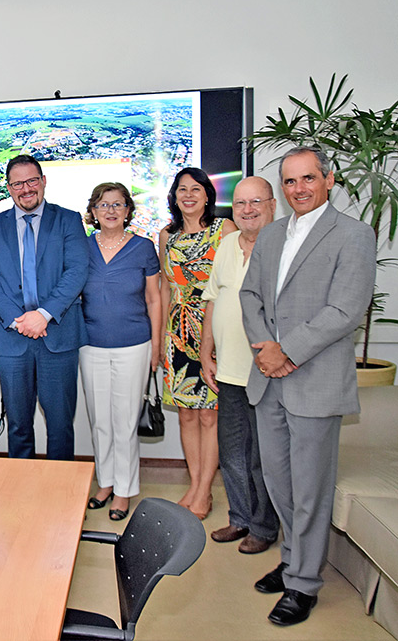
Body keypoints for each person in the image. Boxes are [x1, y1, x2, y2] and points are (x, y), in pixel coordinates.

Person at [241, 146, 375, 626]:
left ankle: (304, 584)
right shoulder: (272, 233)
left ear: (328, 179)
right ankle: (294, 559)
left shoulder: (354, 235)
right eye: (291, 181)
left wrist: (287, 350)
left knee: (311, 488)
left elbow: (345, 310)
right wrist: (263, 346)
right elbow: (250, 293)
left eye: (308, 179)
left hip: (313, 379)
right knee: (280, 482)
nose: (299, 189)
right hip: (268, 377)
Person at [0, 154, 88, 460]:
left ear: (43, 182)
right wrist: (17, 320)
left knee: (61, 425)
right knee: (19, 426)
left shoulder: (68, 219)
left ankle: (63, 499)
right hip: (12, 340)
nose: (26, 188)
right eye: (18, 183)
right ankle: (21, 496)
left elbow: (76, 271)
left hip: (58, 337)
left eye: (32, 180)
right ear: (9, 188)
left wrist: (44, 315)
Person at [199, 176, 280, 554]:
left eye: (256, 203)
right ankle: (240, 519)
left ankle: (264, 527)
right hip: (228, 368)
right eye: (241, 203)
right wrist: (205, 353)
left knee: (262, 456)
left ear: (272, 205)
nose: (247, 210)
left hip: (265, 371)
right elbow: (212, 300)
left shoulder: (282, 247)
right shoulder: (229, 243)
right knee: (232, 451)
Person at [79, 182, 160, 520]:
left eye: (117, 204)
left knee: (125, 422)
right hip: (90, 344)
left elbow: (155, 299)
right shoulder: (81, 248)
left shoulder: (143, 247)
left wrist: (156, 347)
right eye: (102, 204)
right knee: (100, 420)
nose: (110, 210)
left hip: (134, 344)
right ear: (93, 212)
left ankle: (125, 490)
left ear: (128, 210)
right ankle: (106, 482)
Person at [158, 167, 235, 518]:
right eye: (181, 189)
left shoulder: (225, 230)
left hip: (214, 328)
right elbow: (164, 288)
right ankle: (195, 483)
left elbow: (232, 285)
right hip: (178, 331)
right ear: (174, 197)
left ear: (207, 195)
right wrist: (161, 338)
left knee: (209, 415)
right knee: (186, 416)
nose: (188, 195)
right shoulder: (167, 236)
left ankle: (204, 491)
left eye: (196, 189)